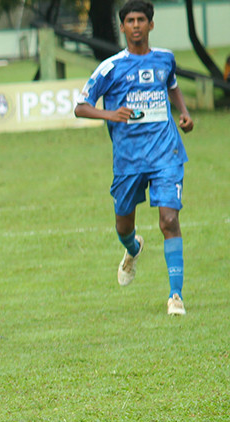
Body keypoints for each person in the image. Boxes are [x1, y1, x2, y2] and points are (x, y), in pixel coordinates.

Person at [75, 0, 193, 316]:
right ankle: (133, 249)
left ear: (151, 25)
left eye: (142, 19)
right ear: (123, 26)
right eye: (130, 20)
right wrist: (110, 114)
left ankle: (175, 296)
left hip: (166, 152)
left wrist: (183, 113)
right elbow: (81, 106)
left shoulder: (165, 59)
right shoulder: (110, 67)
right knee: (123, 223)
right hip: (128, 159)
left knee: (169, 220)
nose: (137, 25)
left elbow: (172, 85)